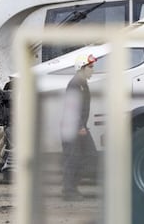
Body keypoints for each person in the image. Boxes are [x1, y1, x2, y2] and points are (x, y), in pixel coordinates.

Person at [61, 54, 98, 201]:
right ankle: (69, 191)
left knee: (90, 155)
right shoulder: (75, 84)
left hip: (79, 126)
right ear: (81, 68)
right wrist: (80, 126)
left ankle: (73, 185)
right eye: (90, 67)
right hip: (72, 127)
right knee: (73, 158)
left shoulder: (82, 83)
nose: (92, 70)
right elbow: (71, 107)